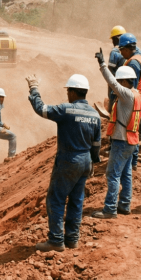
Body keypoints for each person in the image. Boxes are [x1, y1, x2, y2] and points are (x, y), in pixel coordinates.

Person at [26, 73, 101, 252]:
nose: (67, 94)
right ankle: (72, 239)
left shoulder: (66, 110)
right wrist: (93, 162)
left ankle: (56, 240)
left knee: (56, 199)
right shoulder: (95, 114)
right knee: (76, 200)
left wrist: (34, 88)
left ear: (73, 92)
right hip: (85, 161)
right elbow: (96, 144)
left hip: (69, 160)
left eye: (68, 91)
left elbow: (41, 109)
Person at [93, 50, 141, 219]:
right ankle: (124, 205)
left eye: (120, 81)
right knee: (126, 175)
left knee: (113, 174)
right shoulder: (137, 95)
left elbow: (112, 82)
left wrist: (102, 64)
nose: (118, 85)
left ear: (125, 81)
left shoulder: (127, 95)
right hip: (131, 141)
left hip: (122, 141)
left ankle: (110, 209)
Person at [118, 33, 141, 169]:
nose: (121, 53)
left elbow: (131, 84)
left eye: (121, 50)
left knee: (131, 130)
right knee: (135, 130)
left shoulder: (133, 63)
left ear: (127, 48)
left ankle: (131, 161)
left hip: (134, 100)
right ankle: (133, 160)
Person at [107, 26, 126, 109]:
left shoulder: (114, 52)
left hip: (116, 84)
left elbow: (110, 71)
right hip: (126, 84)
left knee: (113, 104)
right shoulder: (129, 49)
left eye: (113, 39)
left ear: (116, 39)